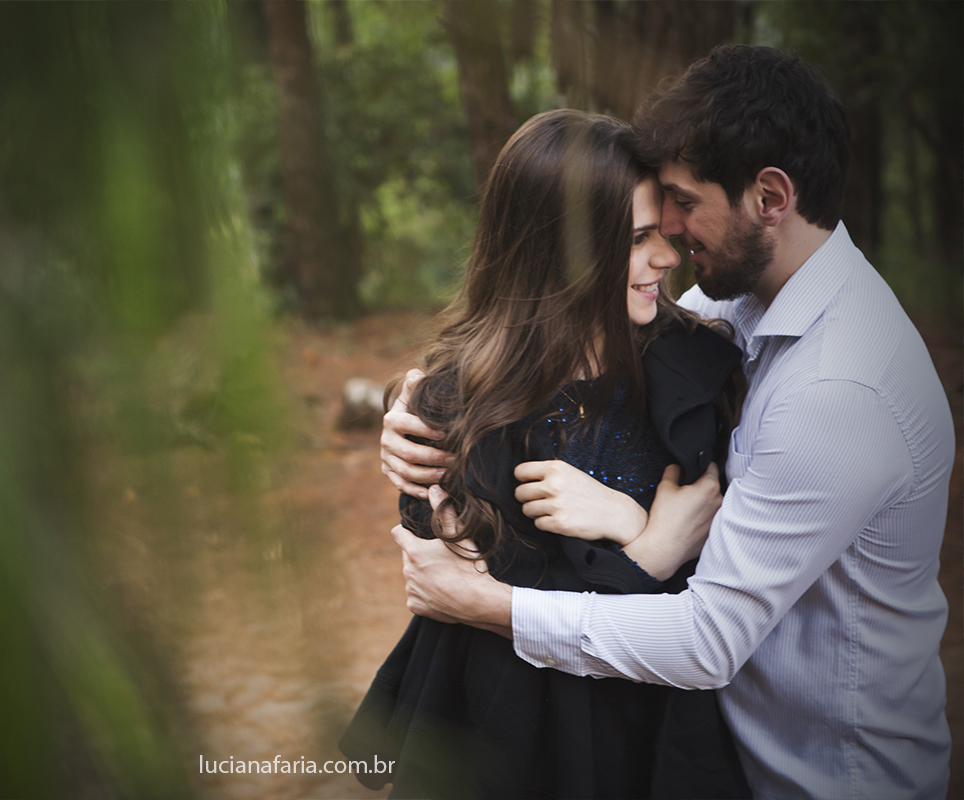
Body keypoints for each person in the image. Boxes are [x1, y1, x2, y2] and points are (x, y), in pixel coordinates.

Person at [381, 45, 954, 799]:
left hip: (818, 776)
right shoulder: (740, 309)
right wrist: (414, 405)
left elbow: (706, 637)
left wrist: (497, 602)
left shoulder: (837, 386)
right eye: (647, 225)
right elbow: (574, 328)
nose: (673, 243)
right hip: (677, 747)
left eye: (683, 203)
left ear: (770, 198)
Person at [341, 108, 751, 799]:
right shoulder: (453, 407)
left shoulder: (695, 369)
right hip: (505, 743)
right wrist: (650, 549)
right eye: (640, 238)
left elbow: (727, 593)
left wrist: (623, 519)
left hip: (650, 734)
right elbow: (474, 614)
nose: (669, 258)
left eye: (665, 233)